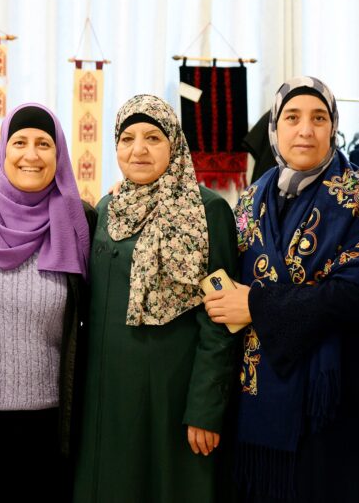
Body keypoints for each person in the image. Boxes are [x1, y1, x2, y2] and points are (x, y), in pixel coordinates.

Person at [204, 76, 359, 502]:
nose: (305, 129)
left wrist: (256, 305)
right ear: (275, 127)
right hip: (261, 394)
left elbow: (358, 295)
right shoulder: (252, 197)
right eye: (292, 117)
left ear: (333, 126)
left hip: (336, 396)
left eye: (318, 118)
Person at [73, 94, 238, 503]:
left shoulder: (208, 210)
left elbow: (220, 319)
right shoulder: (108, 208)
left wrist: (205, 407)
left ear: (174, 143)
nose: (139, 150)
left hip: (172, 395)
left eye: (153, 138)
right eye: (127, 139)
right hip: (107, 394)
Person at [0, 103, 94, 501]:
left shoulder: (81, 221)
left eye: (44, 144)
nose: (31, 154)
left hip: (54, 427)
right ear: (2, 150)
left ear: (59, 154)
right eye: (20, 142)